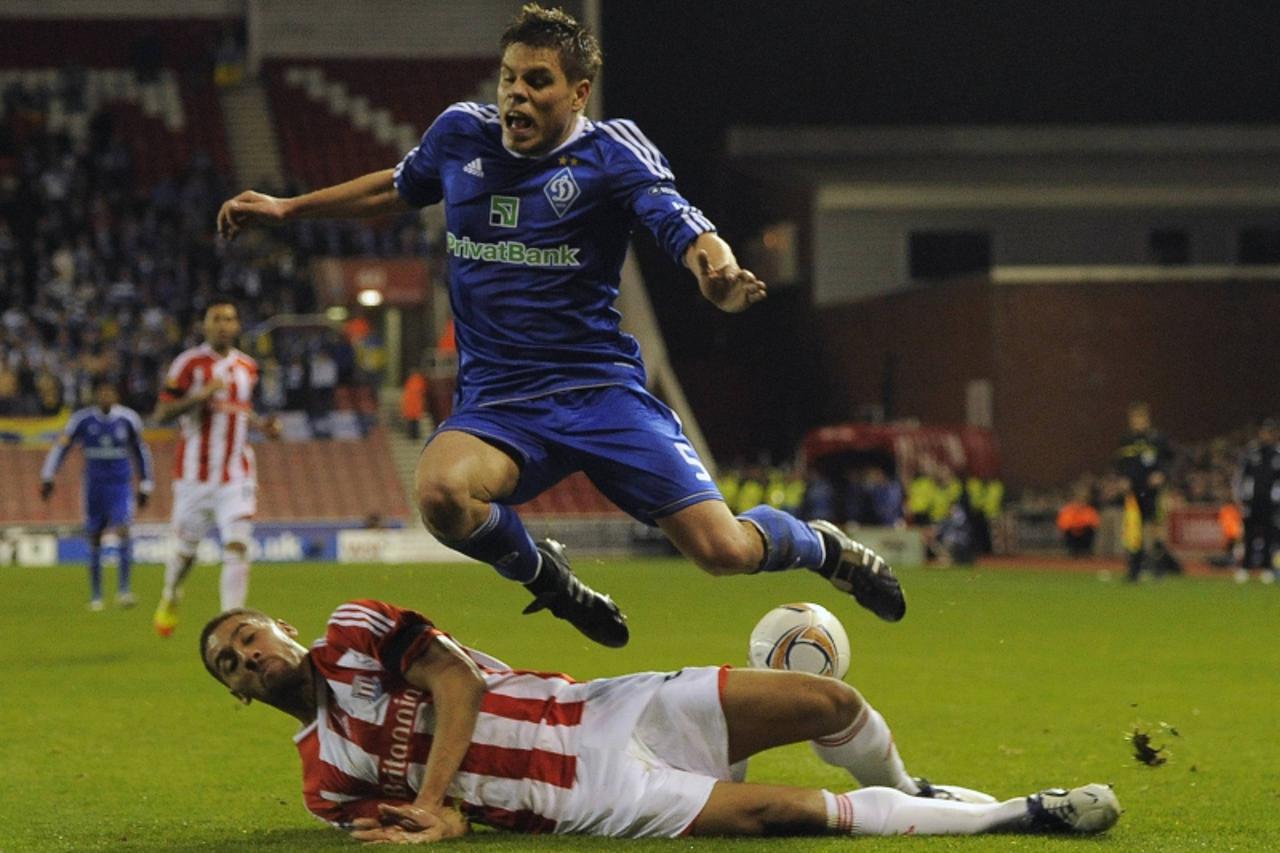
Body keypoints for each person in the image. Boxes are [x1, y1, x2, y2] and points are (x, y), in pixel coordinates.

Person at [215, 4, 903, 648]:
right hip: (502, 404)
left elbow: (682, 224)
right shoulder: (461, 133)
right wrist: (287, 208)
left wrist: (716, 273)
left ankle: (824, 547)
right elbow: (394, 187)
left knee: (723, 552)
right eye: (510, 77)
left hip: (601, 393)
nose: (516, 93)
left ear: (577, 94)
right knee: (440, 492)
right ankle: (546, 576)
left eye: (537, 80)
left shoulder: (612, 153)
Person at [199, 598, 1122, 841]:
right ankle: (1016, 813)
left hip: (604, 704)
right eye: (231, 663)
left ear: (283, 625)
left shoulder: (358, 631)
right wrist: (437, 820)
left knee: (829, 702)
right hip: (591, 795)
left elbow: (457, 684)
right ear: (239, 694)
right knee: (784, 813)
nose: (249, 654)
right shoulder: (324, 780)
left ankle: (910, 791)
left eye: (249, 635)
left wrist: (435, 798)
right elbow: (417, 826)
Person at [151, 300, 280, 636]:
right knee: (185, 554)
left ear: (237, 326)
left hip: (236, 474)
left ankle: (231, 625)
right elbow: (161, 413)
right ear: (205, 326)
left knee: (237, 545)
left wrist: (262, 426)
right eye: (216, 319)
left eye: (230, 319)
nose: (223, 325)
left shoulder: (248, 367)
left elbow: (238, 410)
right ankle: (171, 593)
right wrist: (201, 396)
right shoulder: (188, 364)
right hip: (194, 476)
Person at [39, 376, 154, 610]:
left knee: (123, 530)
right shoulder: (82, 420)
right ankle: (96, 595)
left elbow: (140, 451)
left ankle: (123, 590)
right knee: (94, 537)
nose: (105, 396)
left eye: (109, 392)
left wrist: (145, 483)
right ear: (95, 395)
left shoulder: (128, 419)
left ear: (116, 395)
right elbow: (62, 447)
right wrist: (48, 476)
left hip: (120, 486)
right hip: (94, 486)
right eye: (101, 392)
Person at [1114, 402, 1176, 581]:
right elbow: (1120, 464)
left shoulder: (1157, 439)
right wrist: (1122, 478)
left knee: (1155, 527)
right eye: (1134, 418)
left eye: (1140, 418)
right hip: (1133, 491)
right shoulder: (1126, 440)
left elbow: (1172, 459)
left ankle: (1158, 568)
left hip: (1153, 491)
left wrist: (1162, 474)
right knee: (1134, 528)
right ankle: (1134, 569)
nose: (1137, 422)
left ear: (1147, 419)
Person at [1234, 417, 1280, 583]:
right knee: (1249, 535)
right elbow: (1240, 477)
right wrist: (1240, 498)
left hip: (1271, 502)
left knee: (1269, 535)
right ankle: (1245, 567)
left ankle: (1267, 568)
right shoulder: (1251, 453)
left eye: (1269, 432)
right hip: (1251, 501)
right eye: (1263, 432)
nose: (1265, 435)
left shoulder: (1277, 454)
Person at [1056, 487, 1101, 558]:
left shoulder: (1089, 510)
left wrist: (1081, 527)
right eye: (1077, 500)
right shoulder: (1068, 510)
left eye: (1082, 500)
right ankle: (1072, 552)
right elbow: (1063, 524)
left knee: (1089, 532)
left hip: (1085, 532)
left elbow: (1094, 523)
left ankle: (1086, 552)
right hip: (1072, 533)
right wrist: (1076, 527)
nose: (1080, 502)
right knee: (1069, 533)